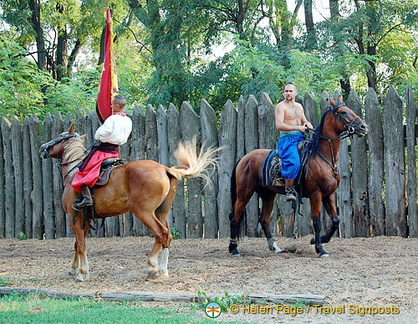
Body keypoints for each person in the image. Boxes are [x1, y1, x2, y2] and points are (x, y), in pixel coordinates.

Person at [71, 94, 132, 209]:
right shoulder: (128, 120)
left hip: (103, 152)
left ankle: (87, 197)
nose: (111, 106)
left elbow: (99, 134)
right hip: (115, 152)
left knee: (84, 170)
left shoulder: (112, 119)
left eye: (113, 104)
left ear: (117, 106)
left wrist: (101, 139)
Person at [275, 82, 313, 201]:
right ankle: (289, 189)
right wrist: (298, 128)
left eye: (291, 91)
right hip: (287, 139)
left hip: (301, 137)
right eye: (286, 91)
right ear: (283, 93)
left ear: (295, 92)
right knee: (294, 162)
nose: (288, 93)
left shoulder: (299, 106)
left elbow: (303, 120)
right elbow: (279, 125)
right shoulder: (281, 107)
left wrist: (307, 124)